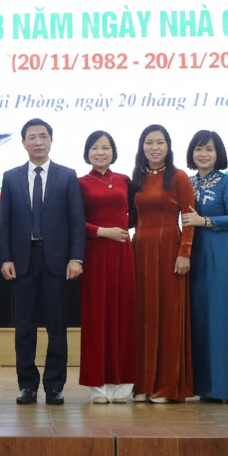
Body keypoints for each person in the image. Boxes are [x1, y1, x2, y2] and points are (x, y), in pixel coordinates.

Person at [0, 118, 86, 406]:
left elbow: (76, 221)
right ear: (23, 143)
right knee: (24, 327)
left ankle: (54, 386)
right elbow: (4, 222)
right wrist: (5, 258)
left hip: (57, 262)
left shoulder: (67, 176)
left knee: (56, 327)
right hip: (23, 261)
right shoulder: (11, 177)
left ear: (51, 140)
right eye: (32, 137)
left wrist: (76, 257)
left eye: (43, 136)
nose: (38, 142)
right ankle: (27, 386)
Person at [130, 124, 196, 403]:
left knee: (169, 315)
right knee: (143, 315)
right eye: (149, 142)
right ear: (142, 147)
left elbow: (189, 218)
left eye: (160, 142)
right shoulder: (137, 178)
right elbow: (131, 217)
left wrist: (185, 253)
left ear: (168, 147)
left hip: (170, 249)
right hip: (140, 250)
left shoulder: (179, 177)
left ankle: (167, 387)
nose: (154, 147)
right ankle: (143, 384)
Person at [184, 130, 228, 402]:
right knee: (198, 318)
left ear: (218, 153)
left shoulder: (226, 182)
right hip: (191, 253)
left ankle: (226, 388)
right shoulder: (186, 182)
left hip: (219, 250)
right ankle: (202, 387)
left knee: (221, 317)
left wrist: (204, 222)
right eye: (199, 149)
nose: (203, 154)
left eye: (209, 149)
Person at [76, 130, 135, 404]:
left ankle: (123, 385)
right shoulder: (80, 183)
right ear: (87, 153)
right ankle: (98, 386)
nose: (100, 152)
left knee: (123, 314)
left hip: (123, 254)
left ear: (113, 152)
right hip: (95, 254)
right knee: (96, 316)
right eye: (95, 148)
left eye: (106, 148)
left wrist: (120, 230)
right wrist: (102, 231)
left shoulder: (124, 180)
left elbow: (135, 215)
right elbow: (73, 221)